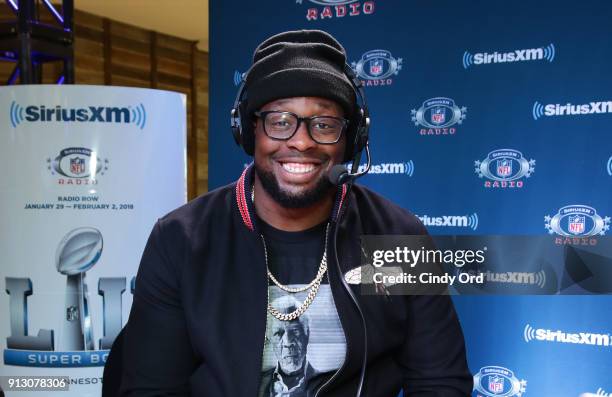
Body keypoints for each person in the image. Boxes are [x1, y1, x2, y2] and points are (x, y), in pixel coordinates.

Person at [118, 30, 472, 396]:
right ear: (249, 130)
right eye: (280, 121)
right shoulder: (181, 240)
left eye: (324, 124)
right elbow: (151, 389)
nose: (301, 141)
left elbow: (440, 383)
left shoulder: (397, 237)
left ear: (351, 140)